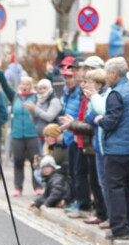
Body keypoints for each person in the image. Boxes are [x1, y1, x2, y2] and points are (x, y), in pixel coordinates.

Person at [94, 57, 129, 241]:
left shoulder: (115, 94)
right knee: (126, 187)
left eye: (107, 73)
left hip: (118, 148)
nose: (105, 77)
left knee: (114, 188)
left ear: (114, 74)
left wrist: (100, 120)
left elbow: (111, 121)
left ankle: (120, 229)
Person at [61, 70, 106, 224]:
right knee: (80, 174)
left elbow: (92, 125)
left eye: (87, 82)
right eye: (83, 81)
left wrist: (72, 125)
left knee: (95, 180)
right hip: (82, 141)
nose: (83, 84)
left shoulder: (97, 100)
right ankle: (84, 206)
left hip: (92, 144)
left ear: (98, 84)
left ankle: (96, 211)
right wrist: (73, 124)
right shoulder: (86, 99)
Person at [0, 63, 40, 196]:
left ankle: (38, 186)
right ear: (20, 85)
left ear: (31, 86)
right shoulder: (15, 96)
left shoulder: (36, 97)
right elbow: (5, 85)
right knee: (18, 162)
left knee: (36, 162)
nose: (25, 86)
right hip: (17, 135)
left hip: (33, 134)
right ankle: (18, 188)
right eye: (23, 84)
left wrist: (49, 74)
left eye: (27, 84)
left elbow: (47, 90)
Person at [60, 57, 90, 214]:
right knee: (73, 172)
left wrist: (75, 128)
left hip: (79, 137)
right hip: (70, 137)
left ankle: (82, 202)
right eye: (65, 77)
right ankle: (76, 200)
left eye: (70, 76)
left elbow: (83, 115)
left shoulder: (81, 92)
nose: (68, 80)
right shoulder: (68, 93)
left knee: (80, 173)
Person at [27, 78, 61, 154]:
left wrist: (35, 109)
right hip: (41, 136)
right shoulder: (39, 101)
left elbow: (49, 117)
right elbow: (35, 121)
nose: (42, 91)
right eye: (40, 89)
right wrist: (31, 111)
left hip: (51, 136)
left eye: (44, 88)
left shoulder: (54, 101)